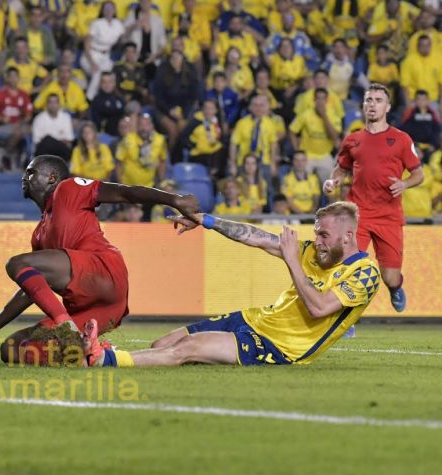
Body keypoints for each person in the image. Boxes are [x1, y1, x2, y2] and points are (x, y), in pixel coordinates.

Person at [0, 154, 198, 364]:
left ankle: (67, 327)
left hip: (103, 271)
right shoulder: (39, 234)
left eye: (31, 172)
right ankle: (94, 353)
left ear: (52, 177)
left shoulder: (69, 188)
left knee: (17, 263)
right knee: (12, 348)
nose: (24, 177)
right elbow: (30, 288)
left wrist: (174, 199)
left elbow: (125, 192)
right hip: (100, 311)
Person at [85, 201, 382, 367]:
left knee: (188, 347)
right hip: (254, 320)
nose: (317, 242)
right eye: (316, 234)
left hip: (278, 346)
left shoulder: (364, 273)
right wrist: (204, 220)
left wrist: (292, 260)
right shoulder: (310, 252)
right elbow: (253, 236)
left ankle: (102, 359)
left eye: (324, 236)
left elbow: (319, 309)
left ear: (348, 236)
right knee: (163, 343)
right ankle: (203, 356)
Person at [324, 84, 424, 312]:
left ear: (387, 107)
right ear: (363, 105)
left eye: (378, 100)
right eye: (369, 100)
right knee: (347, 267)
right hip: (357, 214)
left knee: (390, 276)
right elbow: (341, 168)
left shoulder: (401, 139)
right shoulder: (353, 139)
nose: (372, 104)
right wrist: (333, 180)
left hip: (389, 216)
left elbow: (419, 174)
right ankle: (343, 316)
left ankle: (395, 287)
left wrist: (404, 183)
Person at [32, 93, 75, 162]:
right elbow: (37, 142)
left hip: (61, 152)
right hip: (44, 152)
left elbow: (69, 141)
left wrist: (54, 142)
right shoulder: (39, 119)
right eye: (50, 102)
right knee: (47, 140)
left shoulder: (66, 117)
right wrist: (56, 141)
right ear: (46, 105)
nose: (53, 105)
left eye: (55, 102)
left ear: (59, 104)